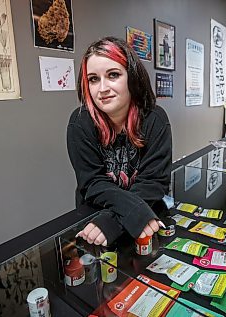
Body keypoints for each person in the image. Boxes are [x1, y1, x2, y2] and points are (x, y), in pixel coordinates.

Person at [67, 37, 172, 247]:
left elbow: (153, 182)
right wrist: (129, 213)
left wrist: (114, 222)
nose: (102, 88)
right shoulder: (80, 122)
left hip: (142, 214)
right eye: (93, 79)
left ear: (132, 77)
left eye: (113, 75)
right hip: (95, 219)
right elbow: (92, 183)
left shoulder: (155, 119)